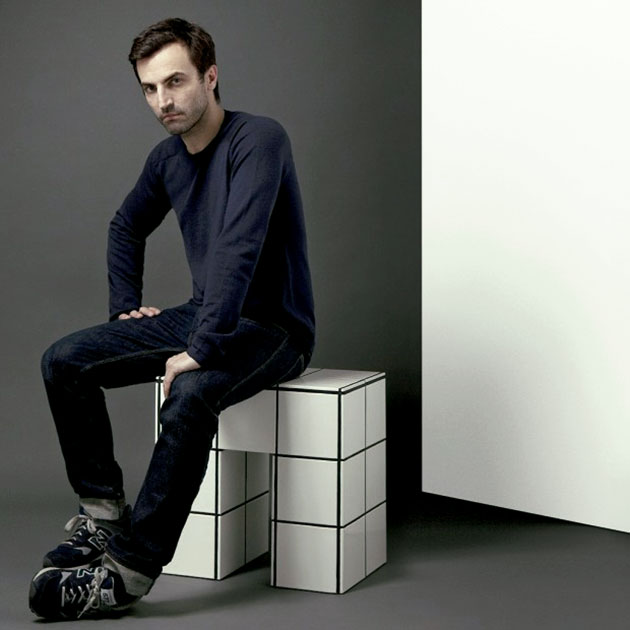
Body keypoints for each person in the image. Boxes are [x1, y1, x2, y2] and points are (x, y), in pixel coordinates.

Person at [28, 17, 315, 620]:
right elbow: (125, 226)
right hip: (203, 313)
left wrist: (203, 346)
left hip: (272, 327)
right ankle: (104, 516)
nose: (163, 101)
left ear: (210, 76)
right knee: (64, 361)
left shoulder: (259, 139)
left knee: (188, 395)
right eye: (150, 89)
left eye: (175, 82)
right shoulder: (166, 159)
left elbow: (238, 246)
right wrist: (124, 308)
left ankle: (128, 572)